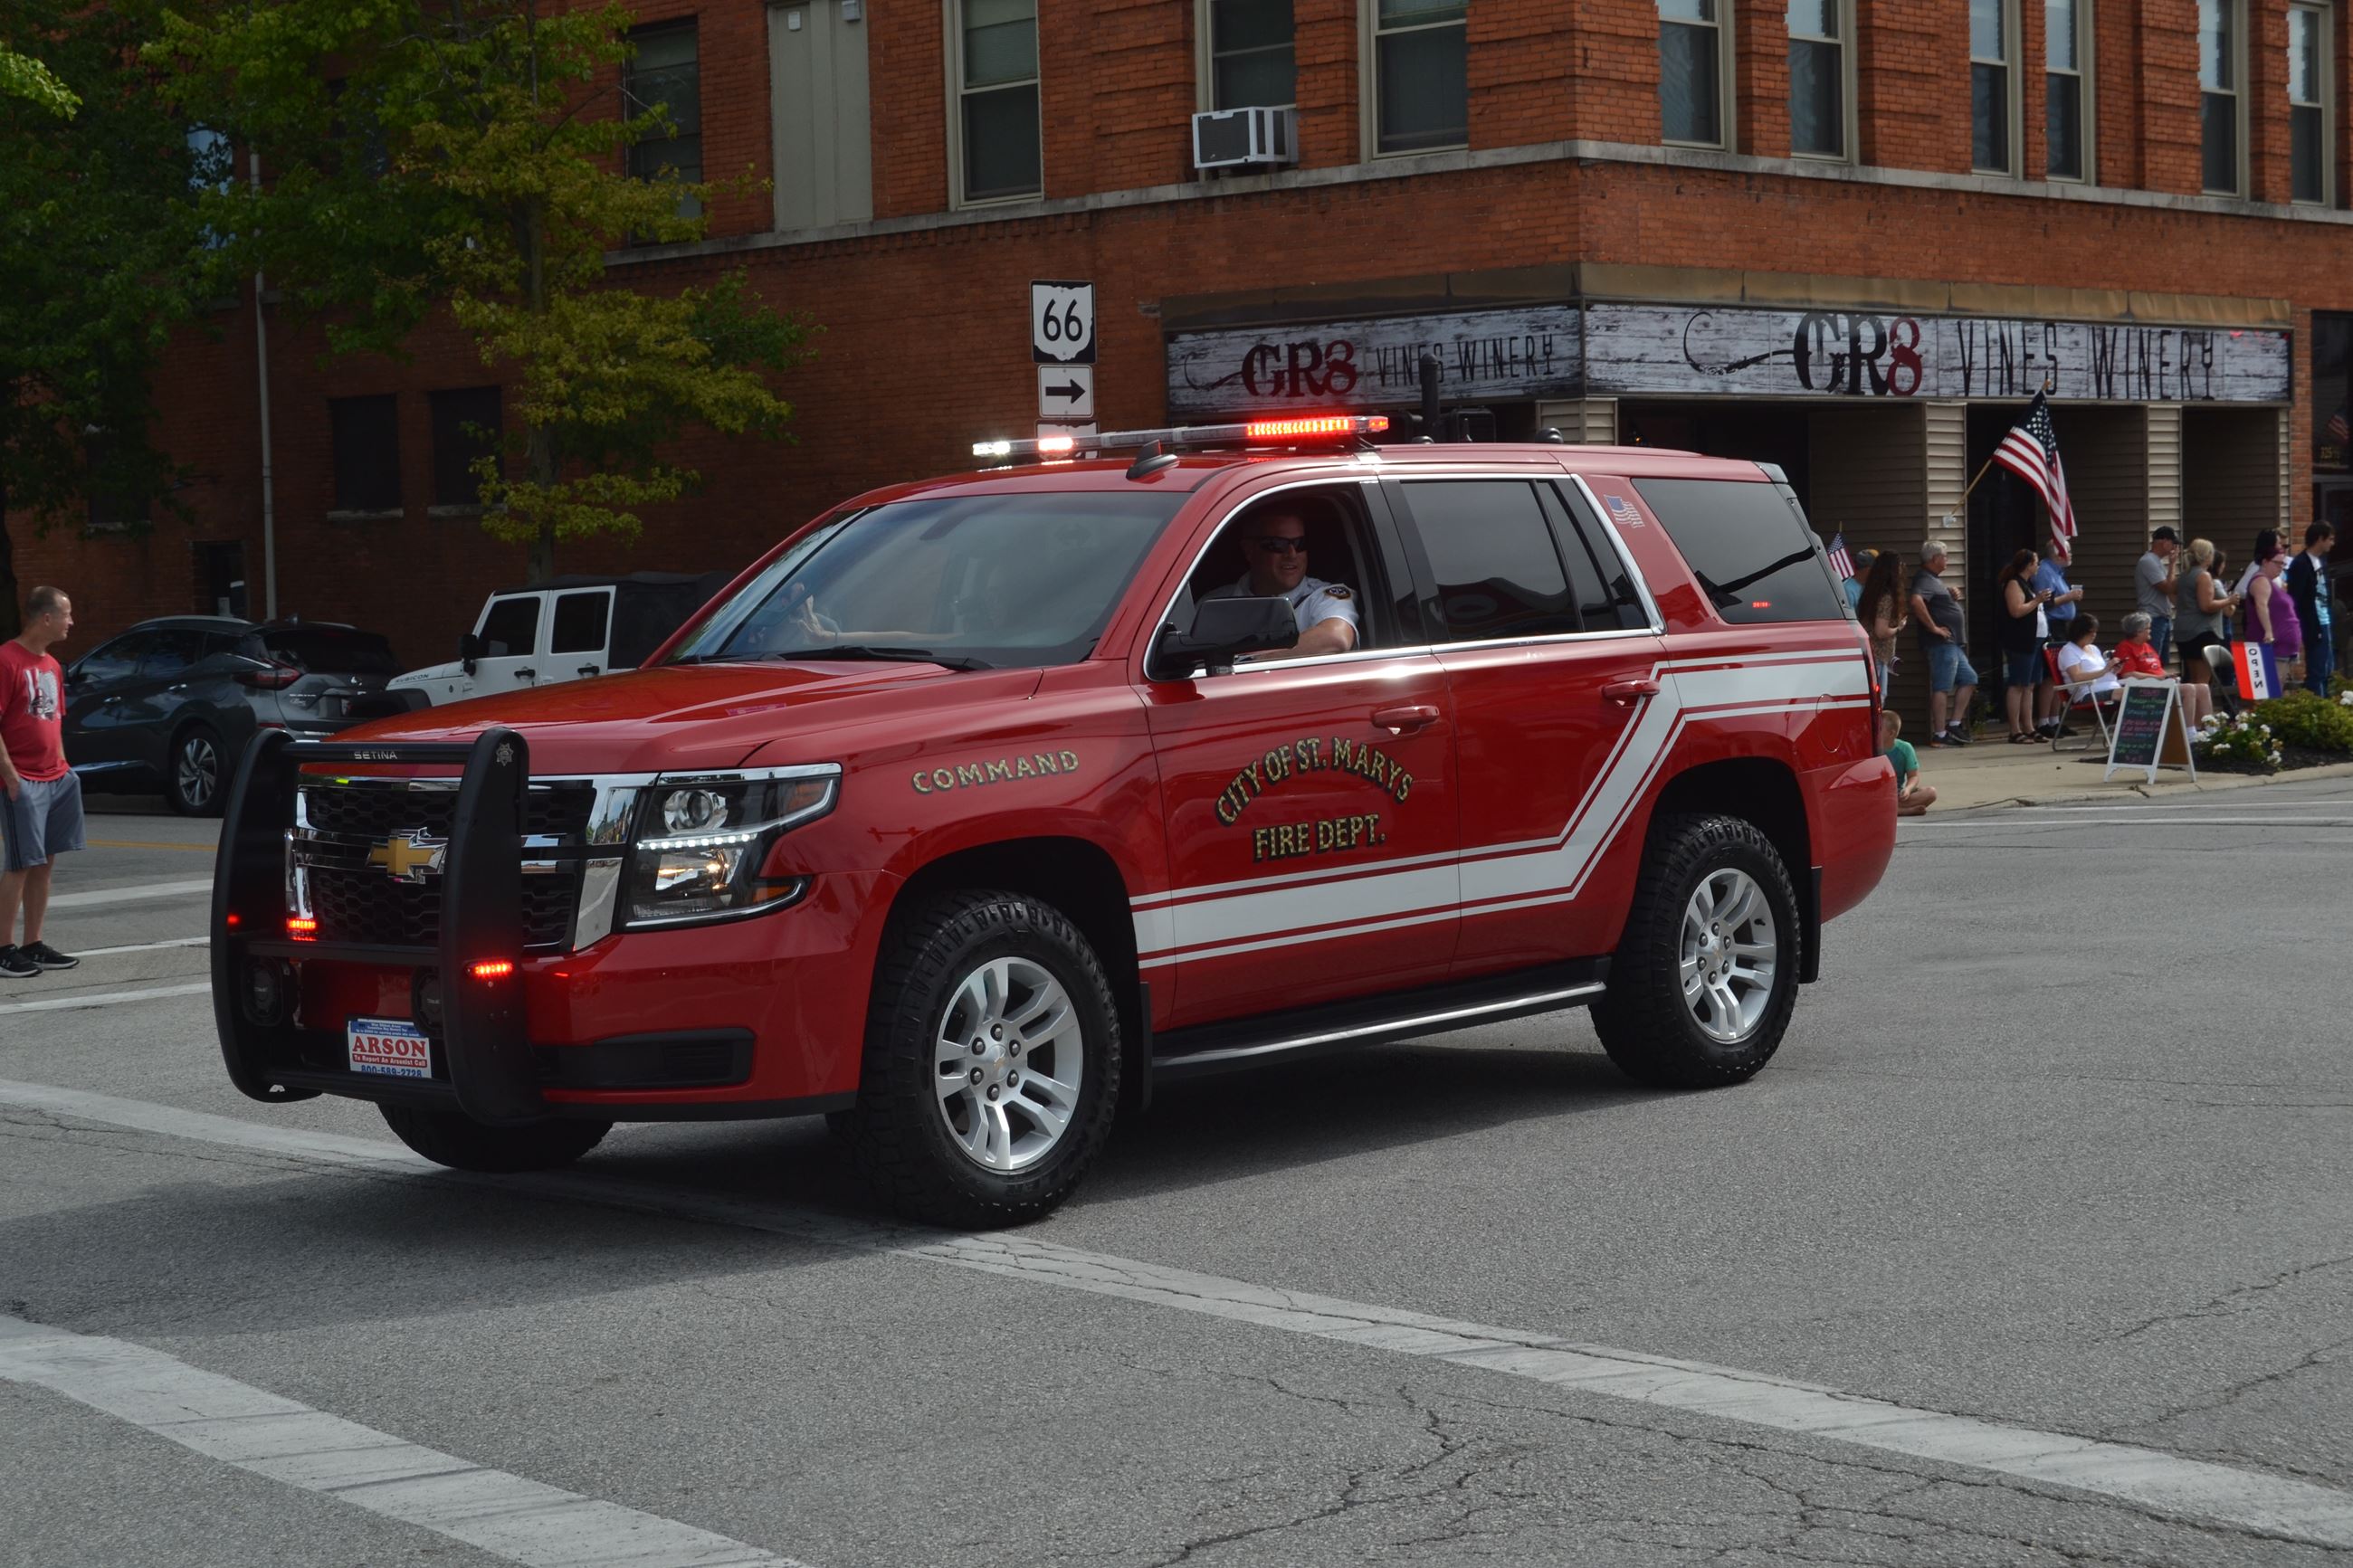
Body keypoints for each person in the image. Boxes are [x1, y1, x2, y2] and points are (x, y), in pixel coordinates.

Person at [1, 585, 84, 979]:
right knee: (20, 863)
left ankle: (33, 943)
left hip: (57, 777)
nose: (72, 622)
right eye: (66, 614)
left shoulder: (52, 665)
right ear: (45, 618)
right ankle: (3, 949)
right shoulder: (6, 660)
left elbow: (55, 720)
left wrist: (65, 766)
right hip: (23, 779)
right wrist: (10, 776)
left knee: (45, 862)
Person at [1203, 505, 1359, 660]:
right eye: (1278, 544)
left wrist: (1249, 663)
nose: (1292, 554)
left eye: (1300, 544)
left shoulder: (1323, 596)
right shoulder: (1212, 603)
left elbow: (1336, 637)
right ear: (1249, 550)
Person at [1909, 540, 1977, 746]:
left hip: (1953, 644)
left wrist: (1950, 595)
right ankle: (1939, 734)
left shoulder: (1934, 580)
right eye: (1945, 556)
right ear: (1935, 558)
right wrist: (1934, 628)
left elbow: (1936, 601)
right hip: (1940, 644)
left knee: (1970, 679)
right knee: (1942, 686)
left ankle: (1954, 724)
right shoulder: (1924, 578)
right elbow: (1916, 601)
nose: (1947, 560)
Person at [2171, 538, 2238, 711]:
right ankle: (2202, 722)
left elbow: (2171, 593)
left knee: (2192, 681)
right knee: (2202, 683)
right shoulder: (2203, 575)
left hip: (2183, 630)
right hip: (2202, 631)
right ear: (2206, 556)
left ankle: (2189, 722)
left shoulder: (2184, 575)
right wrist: (2228, 600)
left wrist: (2171, 566)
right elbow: (2206, 606)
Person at [2115, 611, 2214, 727]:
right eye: (2148, 628)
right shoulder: (2124, 648)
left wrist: (2167, 675)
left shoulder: (2147, 646)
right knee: (2189, 689)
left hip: (2161, 683)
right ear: (2138, 631)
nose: (2150, 631)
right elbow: (2128, 674)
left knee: (2203, 688)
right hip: (2144, 688)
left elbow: (2157, 668)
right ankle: (2189, 731)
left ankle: (2209, 729)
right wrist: (2158, 678)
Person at [1996, 548, 2053, 743]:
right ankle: (2014, 729)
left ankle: (2029, 726)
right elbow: (2016, 611)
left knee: (2030, 685)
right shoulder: (2014, 583)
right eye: (2036, 563)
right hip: (2021, 641)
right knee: (2018, 684)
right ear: (2028, 565)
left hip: (2036, 640)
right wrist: (2037, 600)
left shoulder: (2027, 584)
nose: (2038, 566)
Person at [2031, 541, 2082, 734]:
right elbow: (2046, 602)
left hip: (2062, 627)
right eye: (2067, 550)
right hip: (2051, 626)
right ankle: (2044, 722)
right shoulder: (2045, 571)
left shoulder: (2058, 572)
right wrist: (2069, 597)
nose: (2070, 553)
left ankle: (2055, 720)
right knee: (2050, 675)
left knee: (2059, 675)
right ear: (2057, 554)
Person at [2243, 545, 2304, 687]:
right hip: (2271, 648)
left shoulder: (2274, 583)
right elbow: (2261, 605)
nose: (2281, 567)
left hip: (2283, 649)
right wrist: (2269, 632)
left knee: (2277, 692)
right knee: (2269, 693)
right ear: (2265, 562)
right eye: (2277, 563)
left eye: (2283, 564)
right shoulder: (2260, 580)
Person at [2285, 521, 2336, 695]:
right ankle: (2317, 707)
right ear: (2320, 539)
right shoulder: (2300, 564)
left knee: (2328, 668)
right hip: (2313, 622)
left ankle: (2328, 705)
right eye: (2330, 539)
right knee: (2317, 670)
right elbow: (2296, 597)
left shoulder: (2320, 561)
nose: (2332, 543)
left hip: (2325, 619)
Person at [2053, 615, 2123, 727]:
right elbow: (2076, 677)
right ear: (2080, 631)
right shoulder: (2069, 651)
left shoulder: (2094, 649)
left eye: (2095, 631)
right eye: (2091, 632)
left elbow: (2100, 672)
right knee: (2132, 693)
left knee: (2142, 689)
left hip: (2111, 688)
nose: (2094, 635)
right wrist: (2105, 670)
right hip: (2087, 693)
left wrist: (2113, 670)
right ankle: (2136, 730)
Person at [1854, 550, 1907, 697]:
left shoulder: (1871, 593)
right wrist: (1899, 627)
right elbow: (1881, 631)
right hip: (1877, 655)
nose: (1902, 569)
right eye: (1900, 565)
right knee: (1879, 699)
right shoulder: (1886, 598)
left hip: (1869, 653)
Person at [2135, 526, 2181, 670]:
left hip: (2163, 617)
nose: (2175, 547)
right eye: (2173, 543)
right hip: (2153, 618)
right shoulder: (2148, 561)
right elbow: (2167, 588)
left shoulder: (2157, 562)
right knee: (2153, 663)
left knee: (2162, 662)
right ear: (2164, 541)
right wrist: (2173, 564)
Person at [1878, 709, 1936, 817]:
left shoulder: (1905, 748)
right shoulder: (1871, 749)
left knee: (1931, 793)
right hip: (1878, 795)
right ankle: (1903, 811)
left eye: (1879, 729)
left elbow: (1913, 776)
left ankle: (1892, 810)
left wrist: (1908, 789)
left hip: (1897, 794)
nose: (1875, 731)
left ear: (1891, 733)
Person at [1841, 546, 1876, 613]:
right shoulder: (1847, 589)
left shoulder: (1872, 585)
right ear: (1867, 569)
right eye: (1876, 568)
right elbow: (1851, 619)